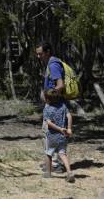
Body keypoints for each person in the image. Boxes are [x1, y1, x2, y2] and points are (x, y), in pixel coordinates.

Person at [37, 42, 66, 173]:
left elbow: (60, 85)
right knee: (51, 134)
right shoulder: (52, 64)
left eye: (40, 53)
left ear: (47, 52)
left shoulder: (53, 65)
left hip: (54, 106)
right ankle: (53, 163)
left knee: (50, 134)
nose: (39, 56)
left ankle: (55, 165)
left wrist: (48, 96)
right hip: (54, 105)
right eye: (37, 54)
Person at [43, 89, 75, 182]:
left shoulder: (47, 108)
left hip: (52, 135)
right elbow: (69, 116)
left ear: (47, 99)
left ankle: (48, 173)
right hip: (63, 136)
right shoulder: (63, 106)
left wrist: (59, 129)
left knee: (48, 153)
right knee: (62, 154)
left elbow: (49, 123)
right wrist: (68, 128)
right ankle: (69, 172)